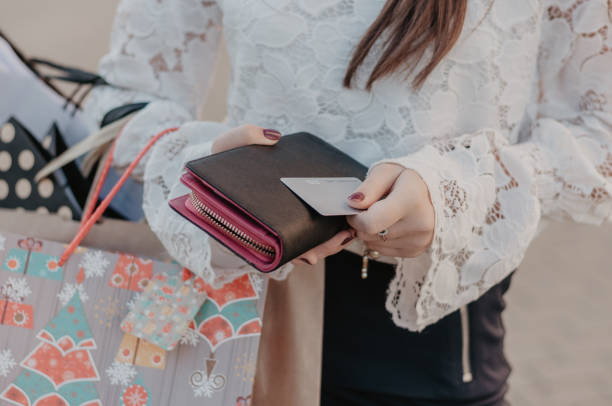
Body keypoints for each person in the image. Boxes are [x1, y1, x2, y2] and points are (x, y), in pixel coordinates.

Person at [84, 0, 612, 404]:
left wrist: (455, 192)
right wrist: (205, 167)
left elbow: (599, 139)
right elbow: (119, 104)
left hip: (426, 344)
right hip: (233, 327)